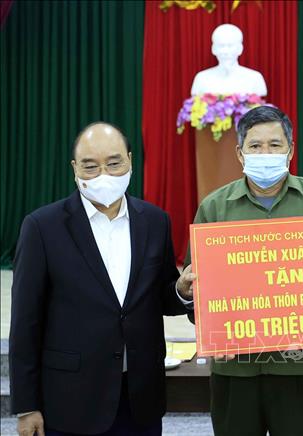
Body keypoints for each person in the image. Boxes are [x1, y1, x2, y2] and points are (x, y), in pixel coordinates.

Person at [9, 122, 196, 436]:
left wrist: (180, 291)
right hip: (71, 399)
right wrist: (27, 406)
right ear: (74, 168)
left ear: (130, 161)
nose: (104, 175)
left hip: (140, 396)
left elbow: (160, 297)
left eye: (113, 163)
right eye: (90, 166)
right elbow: (25, 323)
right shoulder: (42, 227)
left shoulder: (155, 221)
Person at [185, 105, 303, 436]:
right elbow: (195, 297)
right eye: (255, 146)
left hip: (300, 367)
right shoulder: (214, 207)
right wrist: (188, 292)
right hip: (234, 368)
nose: (265, 153)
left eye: (274, 145)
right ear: (240, 154)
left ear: (290, 151)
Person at [190, 23, 267, 96]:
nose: (225, 51)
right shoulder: (201, 79)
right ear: (213, 49)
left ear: (240, 49)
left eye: (230, 46)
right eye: (221, 46)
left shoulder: (255, 78)